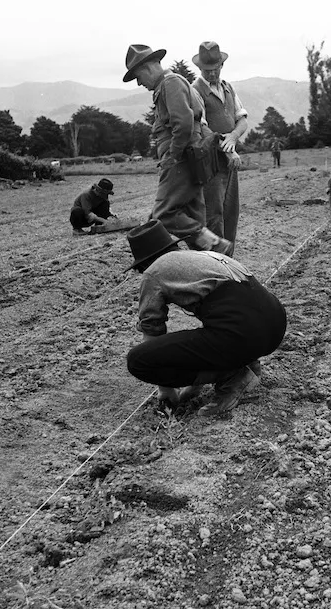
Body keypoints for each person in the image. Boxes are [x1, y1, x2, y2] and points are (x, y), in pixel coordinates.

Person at [125, 220, 287, 418]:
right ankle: (243, 363)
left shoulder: (153, 272)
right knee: (211, 333)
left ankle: (232, 376)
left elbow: (152, 330)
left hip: (243, 332)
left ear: (143, 263)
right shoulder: (201, 257)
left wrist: (166, 388)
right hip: (274, 326)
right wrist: (196, 384)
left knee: (139, 360)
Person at [123, 44, 231, 253]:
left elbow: (183, 123)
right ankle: (212, 263)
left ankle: (213, 244)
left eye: (138, 77)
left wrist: (173, 156)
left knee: (162, 214)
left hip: (181, 160)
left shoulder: (170, 83)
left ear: (146, 69)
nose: (140, 83)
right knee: (193, 216)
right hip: (189, 159)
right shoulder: (169, 84)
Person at [191, 42, 248, 256]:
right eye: (207, 69)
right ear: (200, 69)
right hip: (210, 163)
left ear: (222, 65)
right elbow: (201, 127)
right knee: (214, 215)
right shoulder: (195, 90)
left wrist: (233, 137)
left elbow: (242, 120)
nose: (212, 72)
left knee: (231, 211)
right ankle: (215, 265)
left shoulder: (228, 87)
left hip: (229, 162)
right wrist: (228, 149)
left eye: (215, 68)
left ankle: (229, 262)